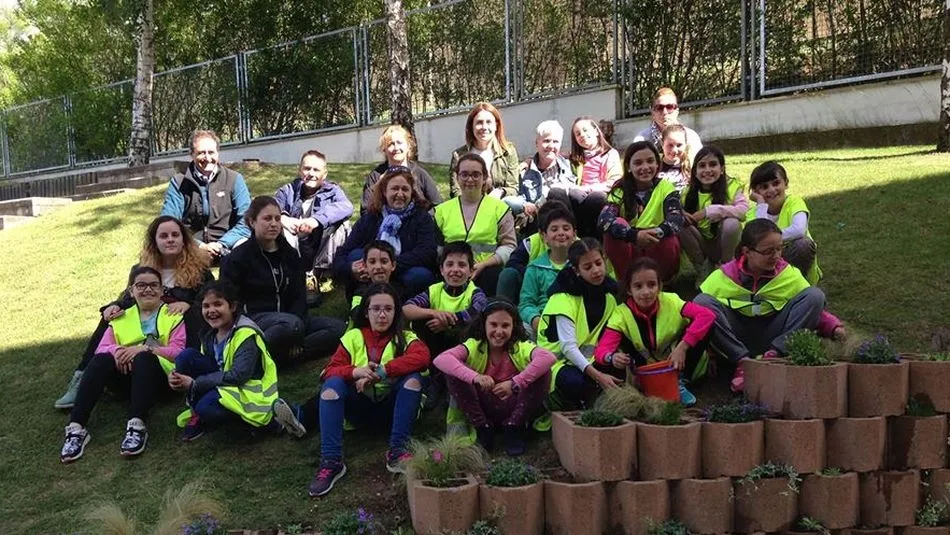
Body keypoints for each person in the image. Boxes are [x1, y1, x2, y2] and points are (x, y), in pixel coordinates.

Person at [54, 216, 213, 410]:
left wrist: (190, 304)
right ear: (154, 241)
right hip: (148, 322)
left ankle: (187, 373)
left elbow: (213, 300)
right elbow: (129, 299)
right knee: (109, 316)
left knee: (191, 315)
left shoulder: (200, 270)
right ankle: (82, 376)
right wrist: (113, 306)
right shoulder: (140, 269)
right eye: (163, 236)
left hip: (179, 328)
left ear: (184, 239)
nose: (170, 239)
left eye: (175, 235)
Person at [308, 284, 431, 497]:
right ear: (366, 311)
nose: (382, 315)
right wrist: (356, 372)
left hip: (392, 409)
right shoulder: (353, 337)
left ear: (396, 312)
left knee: (413, 379)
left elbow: (423, 358)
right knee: (331, 386)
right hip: (359, 409)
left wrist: (382, 372)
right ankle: (331, 461)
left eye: (388, 309)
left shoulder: (406, 337)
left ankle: (398, 451)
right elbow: (328, 371)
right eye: (376, 309)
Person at [695, 220, 845, 393]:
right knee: (702, 302)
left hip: (774, 334)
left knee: (815, 295)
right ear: (746, 251)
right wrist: (709, 352)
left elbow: (812, 307)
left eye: (779, 249)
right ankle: (743, 363)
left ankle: (773, 358)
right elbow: (696, 315)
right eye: (768, 251)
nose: (776, 256)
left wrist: (833, 327)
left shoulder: (788, 274)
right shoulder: (723, 276)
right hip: (736, 338)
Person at [60, 267, 186, 462]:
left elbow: (179, 352)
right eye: (141, 285)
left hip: (161, 380)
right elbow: (102, 348)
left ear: (162, 290)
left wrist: (144, 349)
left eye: (154, 285)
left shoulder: (173, 315)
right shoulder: (120, 317)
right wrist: (120, 352)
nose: (148, 290)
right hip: (125, 378)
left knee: (143, 358)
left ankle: (137, 426)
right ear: (131, 291)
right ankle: (76, 428)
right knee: (100, 360)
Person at [169, 281, 306, 441]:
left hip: (247, 388)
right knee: (185, 356)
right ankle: (198, 414)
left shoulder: (245, 334)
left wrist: (195, 384)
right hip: (223, 381)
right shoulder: (209, 332)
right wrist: (176, 376)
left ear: (233, 306)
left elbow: (239, 376)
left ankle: (266, 423)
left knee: (206, 407)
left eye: (218, 304)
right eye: (206, 306)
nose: (211, 310)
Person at [220, 196, 345, 363]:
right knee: (290, 325)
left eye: (277, 219)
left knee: (339, 329)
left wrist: (297, 326)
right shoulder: (237, 259)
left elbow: (299, 296)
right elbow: (230, 302)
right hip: (254, 322)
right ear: (252, 222)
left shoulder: (290, 255)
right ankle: (252, 355)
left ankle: (283, 357)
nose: (274, 224)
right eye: (267, 218)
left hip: (291, 321)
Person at [435, 300, 556, 455]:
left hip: (515, 406)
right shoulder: (474, 345)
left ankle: (514, 427)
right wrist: (476, 377)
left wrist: (514, 383)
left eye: (505, 326)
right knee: (453, 372)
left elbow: (548, 357)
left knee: (543, 372)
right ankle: (483, 429)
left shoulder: (520, 347)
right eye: (493, 325)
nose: (499, 331)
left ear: (513, 327)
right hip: (482, 407)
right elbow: (442, 359)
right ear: (484, 325)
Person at [594, 258, 715, 406]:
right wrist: (611, 357)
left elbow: (707, 315)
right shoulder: (620, 314)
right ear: (629, 290)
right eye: (638, 286)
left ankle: (680, 382)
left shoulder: (672, 301)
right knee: (619, 345)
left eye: (651, 285)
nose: (646, 292)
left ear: (659, 286)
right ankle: (643, 386)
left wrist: (683, 347)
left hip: (680, 362)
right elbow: (602, 350)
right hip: (647, 369)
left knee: (706, 325)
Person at [539, 238, 621, 410]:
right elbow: (568, 347)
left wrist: (613, 358)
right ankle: (555, 403)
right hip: (558, 363)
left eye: (598, 263)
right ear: (576, 270)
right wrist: (598, 376)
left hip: (591, 359)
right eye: (588, 267)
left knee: (619, 373)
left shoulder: (610, 297)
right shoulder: (563, 298)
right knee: (576, 383)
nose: (596, 270)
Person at [333, 167, 439, 298]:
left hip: (404, 270)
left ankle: (400, 303)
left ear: (412, 192)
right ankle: (364, 302)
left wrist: (386, 265)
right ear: (384, 191)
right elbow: (343, 252)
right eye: (395, 188)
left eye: (405, 189)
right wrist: (351, 268)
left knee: (420, 275)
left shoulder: (422, 217)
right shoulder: (371, 217)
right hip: (371, 273)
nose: (400, 194)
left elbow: (427, 252)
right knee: (356, 255)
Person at [599, 141, 684, 283]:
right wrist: (634, 236)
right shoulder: (619, 189)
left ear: (657, 164)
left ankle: (658, 283)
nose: (645, 167)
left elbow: (676, 219)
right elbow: (604, 220)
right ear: (629, 167)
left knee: (669, 239)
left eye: (650, 161)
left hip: (655, 244)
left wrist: (654, 233)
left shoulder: (666, 187)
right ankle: (625, 284)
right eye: (638, 163)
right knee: (616, 225)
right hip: (630, 248)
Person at [160, 130, 251, 261]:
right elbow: (168, 222)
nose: (207, 158)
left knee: (248, 249)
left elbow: (246, 221)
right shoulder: (179, 182)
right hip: (190, 246)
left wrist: (222, 244)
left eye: (211, 152)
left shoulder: (234, 179)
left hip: (228, 245)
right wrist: (199, 246)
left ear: (218, 153)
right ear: (191, 154)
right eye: (201, 153)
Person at [436, 154, 517, 296]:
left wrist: (484, 264)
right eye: (464, 174)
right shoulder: (441, 211)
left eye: (475, 175)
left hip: (487, 271)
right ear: (457, 177)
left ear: (485, 177)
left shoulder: (500, 209)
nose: (470, 179)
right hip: (451, 272)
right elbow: (437, 249)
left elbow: (509, 246)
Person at [274, 150, 354, 285]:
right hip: (294, 241)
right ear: (300, 171)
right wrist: (284, 219)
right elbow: (272, 207)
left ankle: (322, 274)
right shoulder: (288, 190)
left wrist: (316, 220)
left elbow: (347, 207)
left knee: (343, 224)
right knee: (275, 223)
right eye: (307, 168)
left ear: (324, 174)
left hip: (321, 242)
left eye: (316, 170)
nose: (311, 173)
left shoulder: (333, 191)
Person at [403, 241, 488, 359]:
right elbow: (406, 309)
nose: (455, 269)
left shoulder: (475, 293)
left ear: (471, 271)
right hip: (434, 345)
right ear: (442, 270)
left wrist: (448, 324)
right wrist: (435, 313)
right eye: (450, 264)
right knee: (421, 320)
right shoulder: (434, 290)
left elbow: (477, 312)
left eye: (462, 265)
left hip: (463, 350)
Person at [679, 146, 748, 281]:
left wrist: (710, 211)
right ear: (695, 172)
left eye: (713, 164)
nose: (707, 170)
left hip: (724, 244)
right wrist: (682, 214)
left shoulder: (732, 187)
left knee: (732, 223)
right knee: (680, 223)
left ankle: (727, 268)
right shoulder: (686, 193)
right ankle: (703, 269)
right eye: (702, 166)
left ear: (722, 169)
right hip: (701, 244)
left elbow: (743, 211)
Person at [748, 160, 822, 284]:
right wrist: (761, 203)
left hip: (790, 256)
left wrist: (770, 241)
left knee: (803, 244)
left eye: (776, 183)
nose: (771, 190)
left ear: (786, 183)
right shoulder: (752, 214)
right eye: (764, 187)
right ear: (756, 192)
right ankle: (768, 287)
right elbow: (759, 237)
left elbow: (799, 230)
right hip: (766, 261)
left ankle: (798, 285)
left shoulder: (794, 202)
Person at [518, 204, 577, 340]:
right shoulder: (534, 268)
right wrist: (535, 319)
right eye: (554, 229)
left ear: (574, 234)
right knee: (522, 328)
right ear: (544, 236)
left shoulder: (581, 266)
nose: (561, 233)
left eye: (566, 228)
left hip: (576, 320)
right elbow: (526, 303)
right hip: (543, 321)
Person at [508, 120, 576, 228]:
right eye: (546, 141)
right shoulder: (524, 171)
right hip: (535, 223)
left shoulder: (570, 166)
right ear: (537, 143)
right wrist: (524, 205)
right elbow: (513, 197)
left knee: (557, 192)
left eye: (556, 142)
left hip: (565, 223)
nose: (551, 146)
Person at [360, 125, 442, 211]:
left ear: (408, 146)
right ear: (384, 149)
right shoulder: (375, 176)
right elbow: (365, 210)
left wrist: (423, 217)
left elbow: (438, 205)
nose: (396, 148)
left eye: (399, 143)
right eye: (391, 144)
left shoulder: (420, 174)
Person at [449, 102, 520, 200]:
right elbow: (456, 191)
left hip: (500, 203)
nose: (484, 127)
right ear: (471, 126)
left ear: (496, 125)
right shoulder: (459, 155)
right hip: (469, 205)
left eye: (489, 122)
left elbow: (513, 188)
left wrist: (500, 192)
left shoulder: (508, 152)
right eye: (479, 122)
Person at [566, 117, 622, 237]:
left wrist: (588, 188)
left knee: (597, 198)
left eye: (585, 130)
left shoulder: (610, 154)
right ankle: (579, 236)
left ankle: (593, 237)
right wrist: (528, 161)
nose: (582, 135)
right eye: (578, 134)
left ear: (596, 131)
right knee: (574, 194)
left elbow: (614, 182)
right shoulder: (574, 158)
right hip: (580, 195)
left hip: (601, 193)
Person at [633, 87, 703, 163]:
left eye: (669, 107)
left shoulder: (691, 137)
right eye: (659, 108)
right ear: (653, 112)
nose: (665, 112)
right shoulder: (641, 139)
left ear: (677, 111)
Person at [657, 124, 692, 192]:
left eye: (679, 145)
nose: (674, 150)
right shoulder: (655, 168)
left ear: (685, 144)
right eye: (670, 145)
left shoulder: (691, 167)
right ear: (662, 144)